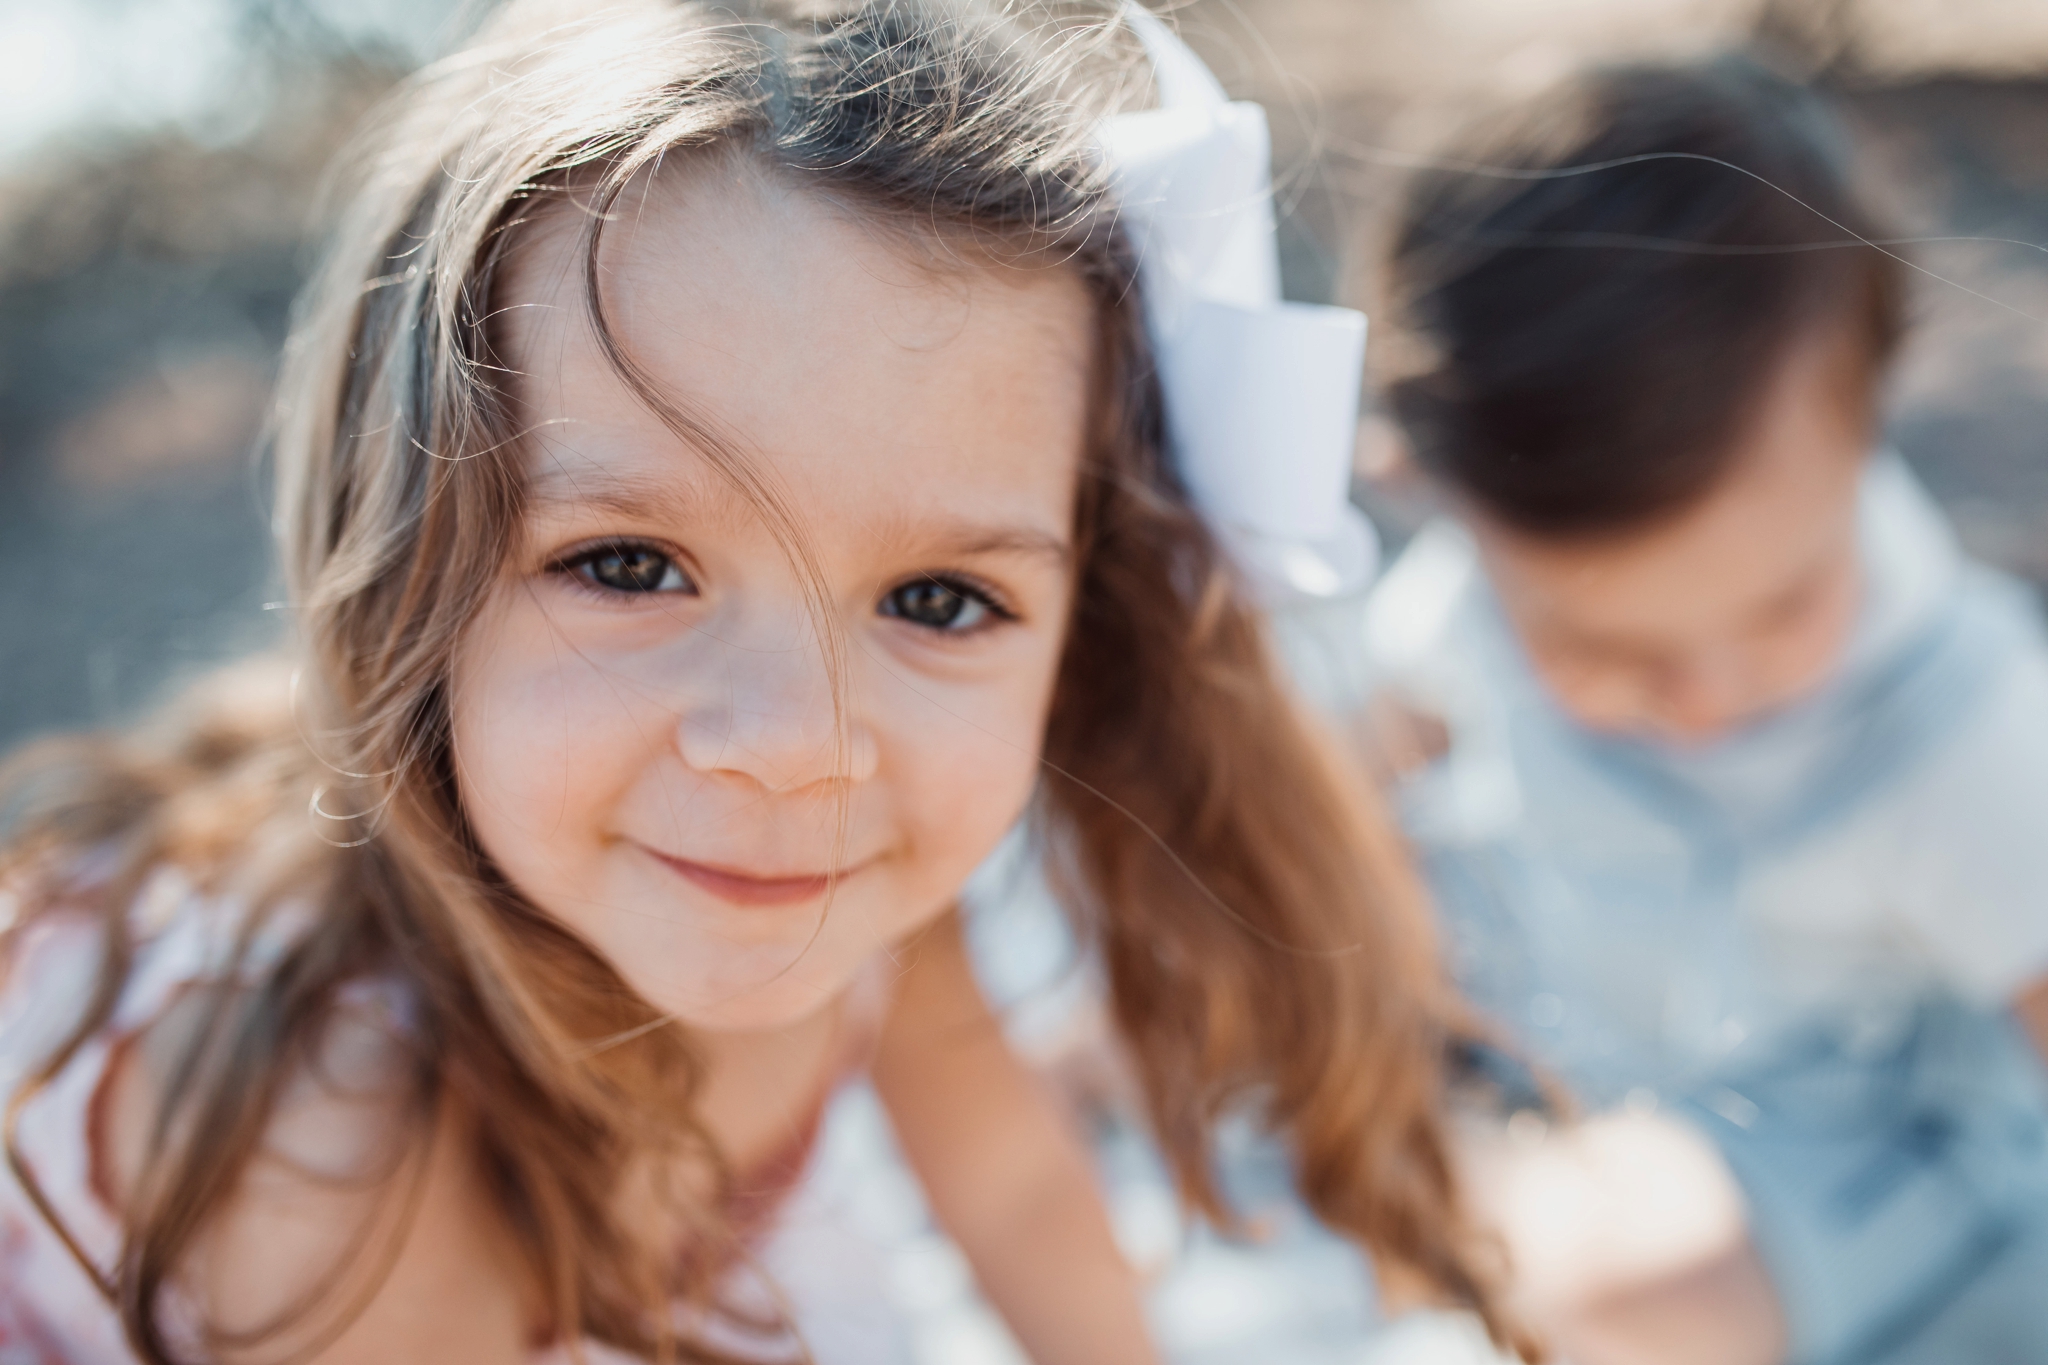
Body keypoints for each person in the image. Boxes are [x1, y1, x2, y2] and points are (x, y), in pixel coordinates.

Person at [0, 3, 1524, 1363]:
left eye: (939, 599)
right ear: (402, 565)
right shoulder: (337, 1152)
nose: (800, 744)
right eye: (629, 564)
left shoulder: (845, 886)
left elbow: (1011, 1182)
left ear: (1084, 629)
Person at [1363, 54, 2048, 1365]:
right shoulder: (1465, 601)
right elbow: (1367, 762)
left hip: (1871, 1153)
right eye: (1606, 648)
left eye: (1785, 605)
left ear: (1870, 421)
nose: (1709, 696)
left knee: (1625, 1297)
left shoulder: (1966, 724)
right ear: (1428, 491)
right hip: (1590, 1055)